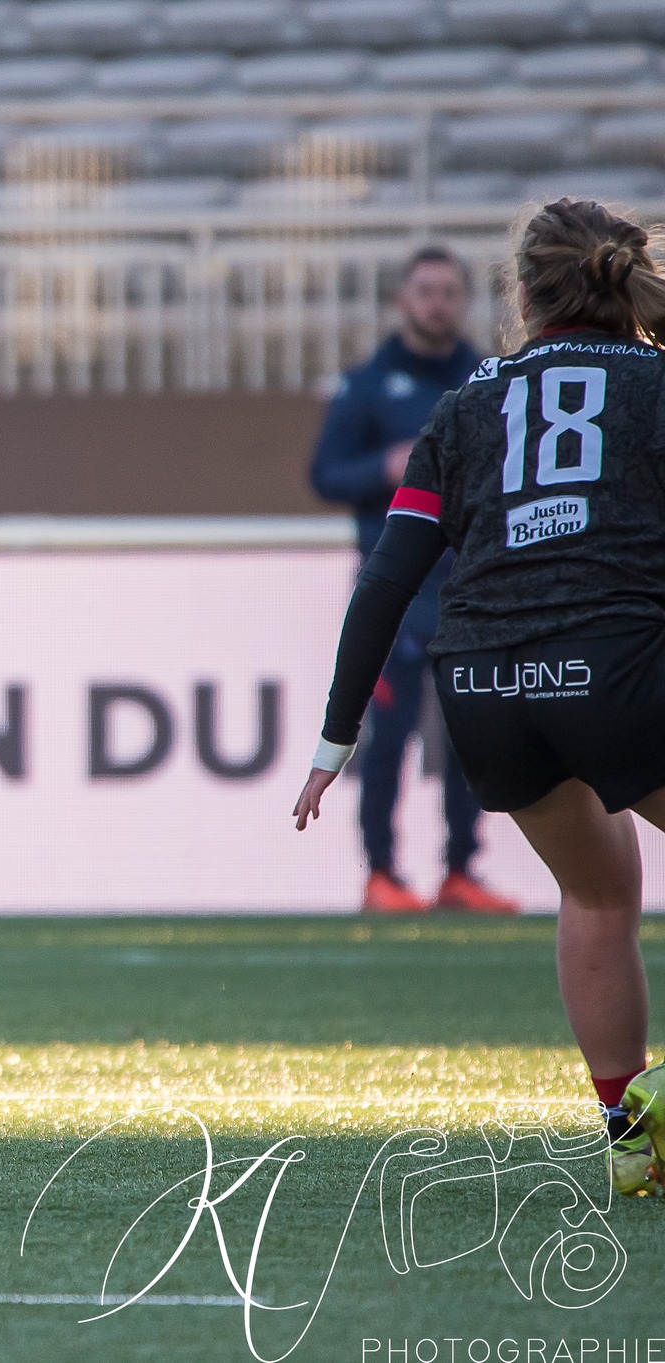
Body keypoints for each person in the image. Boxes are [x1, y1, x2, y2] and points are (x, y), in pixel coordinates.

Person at [294, 199, 665, 1197]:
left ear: (518, 294)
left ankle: (628, 1134)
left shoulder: (463, 404)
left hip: (486, 685)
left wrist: (335, 738)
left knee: (594, 890)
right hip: (618, 666)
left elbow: (384, 578)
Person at [310, 246, 517, 915]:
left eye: (450, 291)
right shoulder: (368, 384)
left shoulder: (489, 379)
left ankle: (461, 870)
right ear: (402, 299)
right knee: (390, 740)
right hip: (397, 593)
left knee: (470, 738)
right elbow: (325, 474)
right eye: (426, 291)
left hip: (470, 588)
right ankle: (382, 873)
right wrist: (384, 468)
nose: (439, 303)